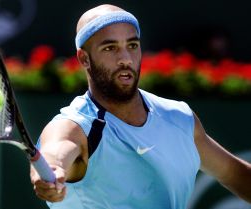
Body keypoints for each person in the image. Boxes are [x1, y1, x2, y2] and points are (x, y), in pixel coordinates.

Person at [30, 4, 251, 209]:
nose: (125, 58)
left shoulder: (179, 117)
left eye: (132, 45)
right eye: (110, 48)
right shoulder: (74, 126)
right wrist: (51, 171)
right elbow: (55, 153)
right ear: (84, 58)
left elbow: (234, 174)